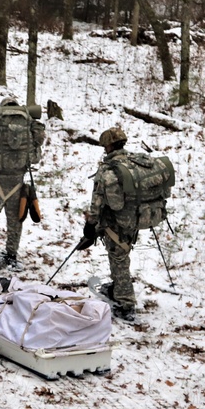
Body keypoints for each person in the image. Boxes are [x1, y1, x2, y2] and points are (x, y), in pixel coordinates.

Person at [75, 127, 140, 322]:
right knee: (122, 255)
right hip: (135, 219)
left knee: (118, 260)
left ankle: (126, 305)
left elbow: (97, 203)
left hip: (115, 223)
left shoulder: (107, 170)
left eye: (105, 145)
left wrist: (90, 225)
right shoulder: (134, 163)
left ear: (109, 145)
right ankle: (118, 289)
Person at [0, 97, 45, 271]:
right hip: (17, 180)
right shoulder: (28, 128)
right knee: (16, 218)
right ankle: (11, 254)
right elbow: (36, 158)